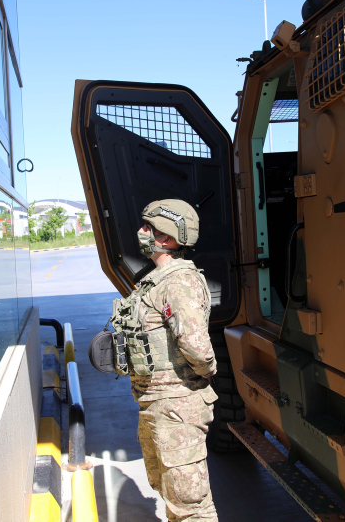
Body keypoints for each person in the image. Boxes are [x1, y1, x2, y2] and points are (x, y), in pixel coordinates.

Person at [111, 199, 219, 521]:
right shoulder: (156, 279)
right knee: (170, 493)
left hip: (176, 406)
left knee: (191, 507)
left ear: (168, 238)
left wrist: (203, 375)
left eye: (149, 227)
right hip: (156, 403)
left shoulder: (178, 282)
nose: (141, 231)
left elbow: (198, 350)